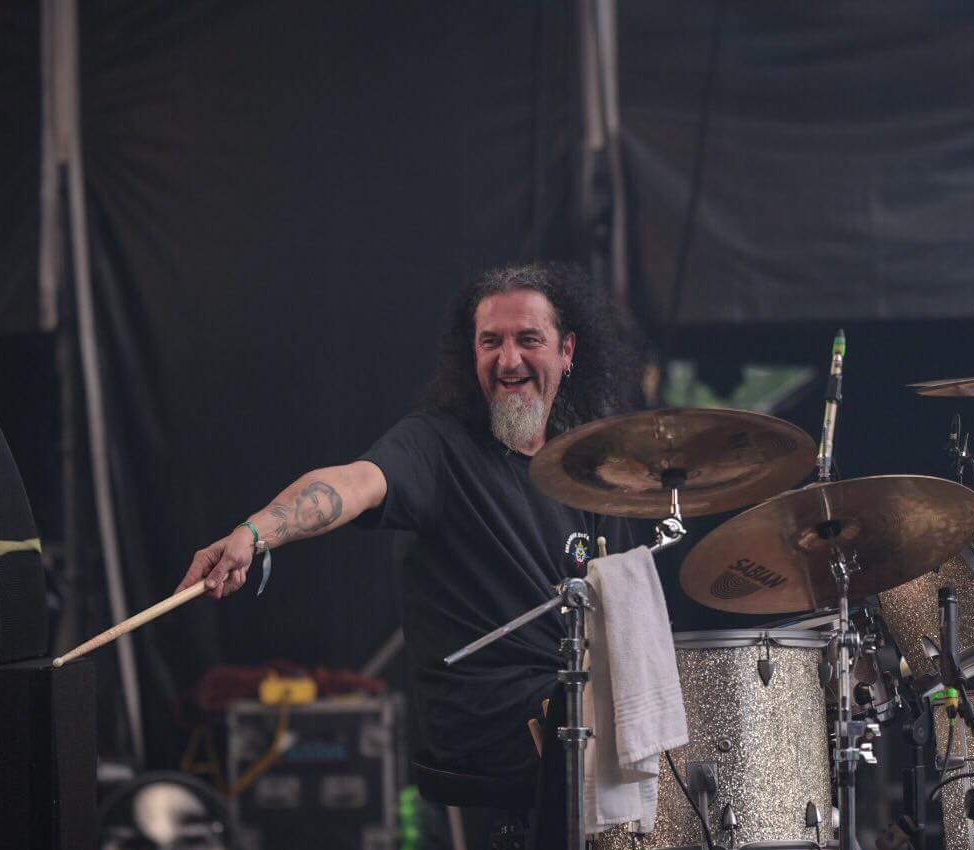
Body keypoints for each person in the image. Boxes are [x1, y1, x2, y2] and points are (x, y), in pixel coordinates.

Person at [175, 261, 641, 780]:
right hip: (487, 719)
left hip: (572, 701)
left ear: (567, 351)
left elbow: (620, 615)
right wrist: (256, 532)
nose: (508, 360)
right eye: (491, 342)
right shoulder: (436, 446)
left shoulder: (586, 469)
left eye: (528, 339)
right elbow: (354, 483)